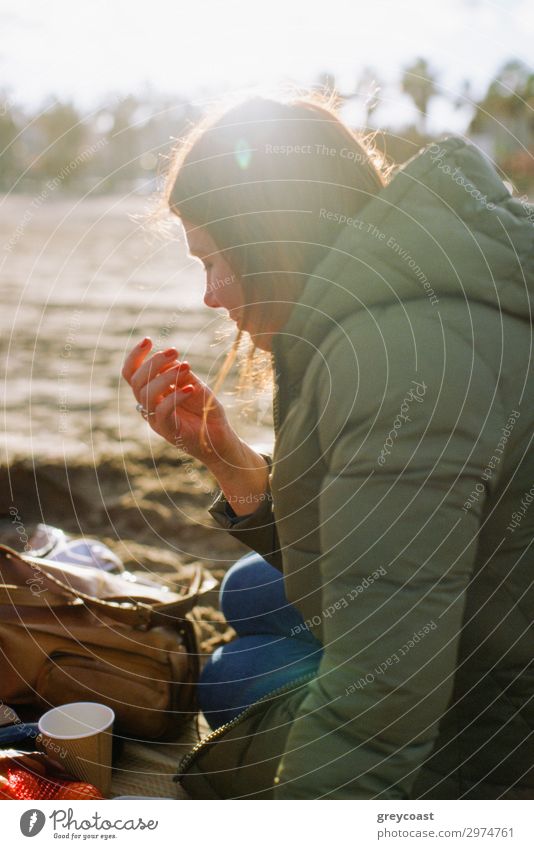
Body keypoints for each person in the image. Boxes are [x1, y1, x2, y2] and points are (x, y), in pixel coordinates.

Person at [122, 92, 534, 799]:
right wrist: (230, 459)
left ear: (268, 235)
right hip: (488, 606)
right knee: (247, 593)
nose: (210, 296)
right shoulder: (411, 280)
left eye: (213, 260)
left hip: (503, 715)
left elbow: (381, 706)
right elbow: (379, 538)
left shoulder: (395, 360)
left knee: (230, 679)